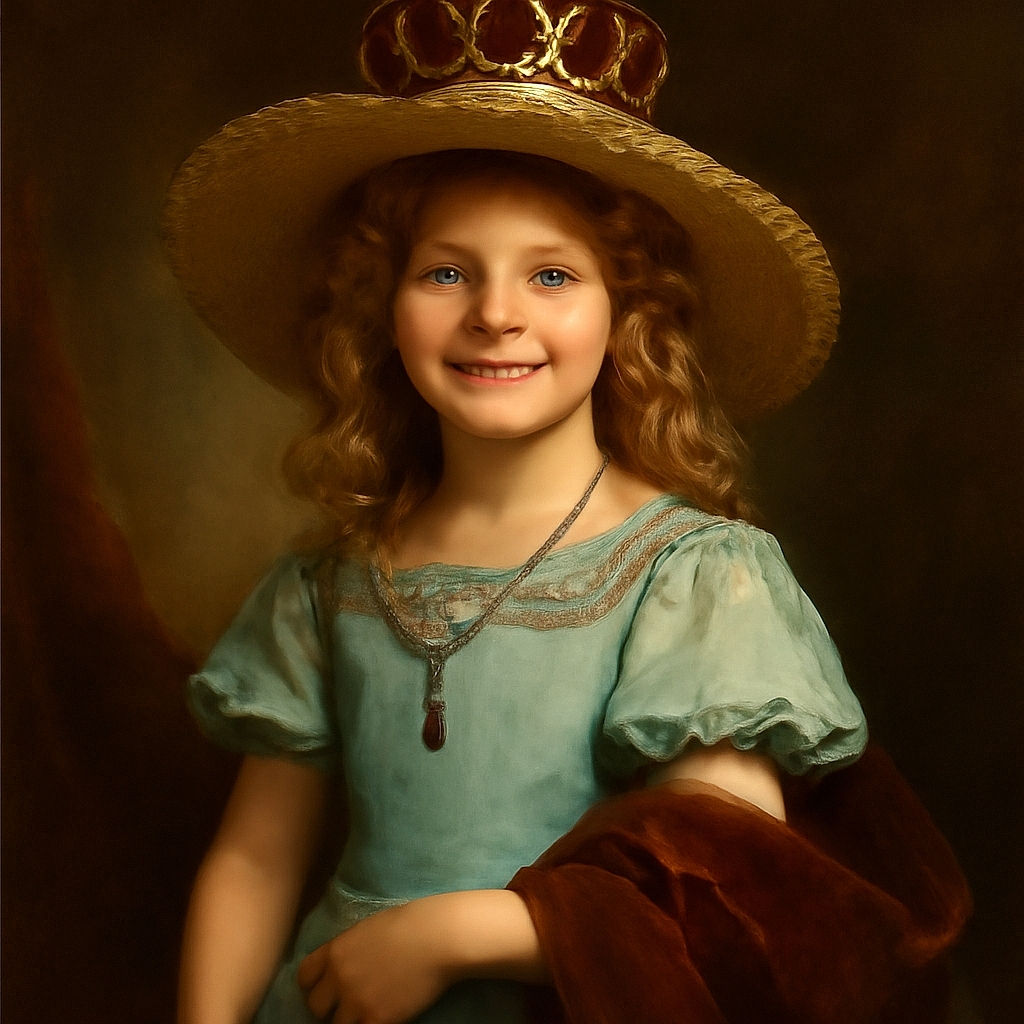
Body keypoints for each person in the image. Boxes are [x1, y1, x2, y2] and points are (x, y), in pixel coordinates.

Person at [165, 3, 969, 1022]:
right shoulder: (329, 583)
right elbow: (252, 862)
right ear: (381, 308)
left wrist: (452, 935)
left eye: (552, 274)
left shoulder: (692, 576)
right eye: (445, 270)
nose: (495, 312)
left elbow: (718, 888)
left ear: (627, 316)